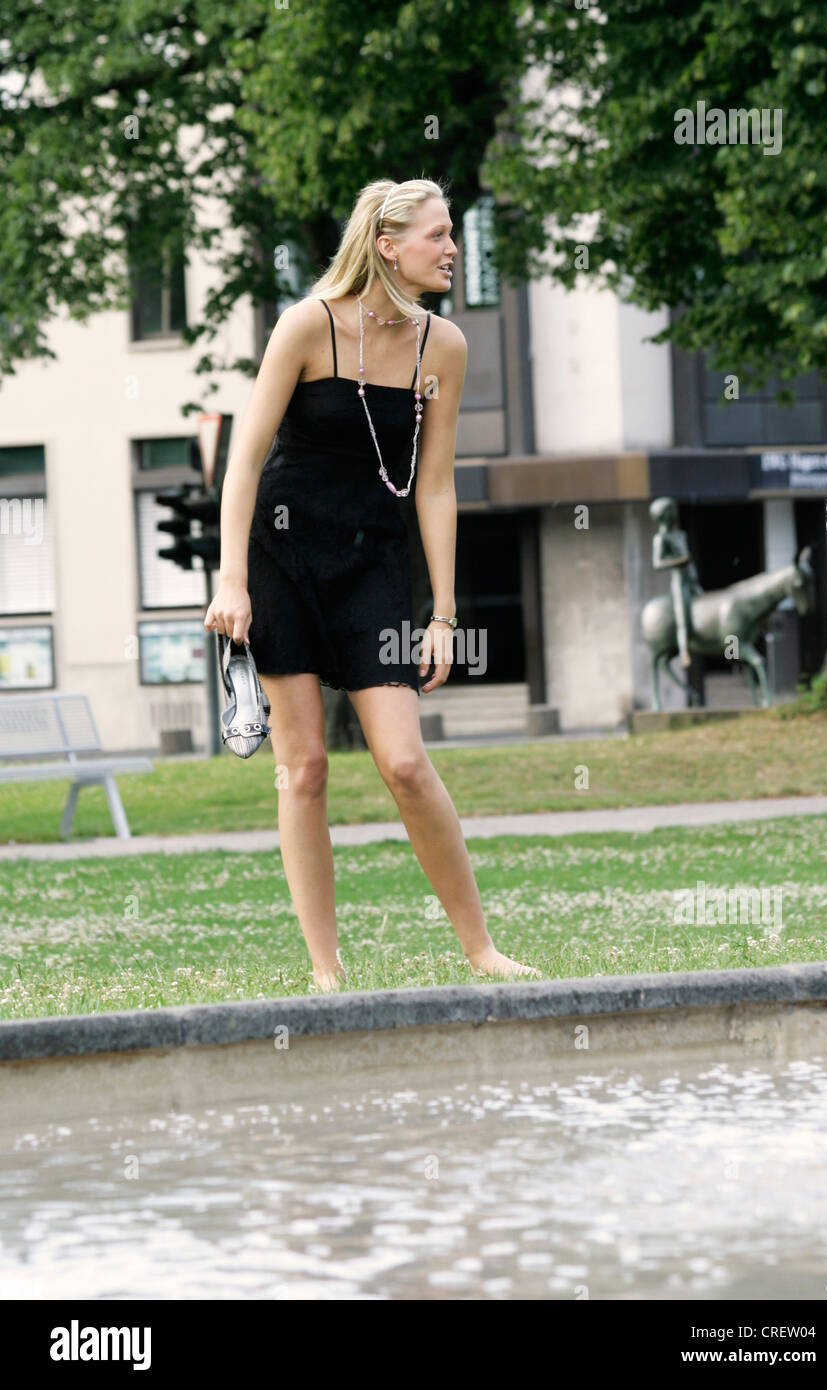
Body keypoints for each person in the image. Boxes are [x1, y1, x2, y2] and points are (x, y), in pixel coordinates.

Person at [204, 177, 540, 991]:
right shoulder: (307, 325)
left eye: (452, 233)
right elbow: (243, 459)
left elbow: (435, 486)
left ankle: (481, 950)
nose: (454, 247)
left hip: (372, 565)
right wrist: (232, 581)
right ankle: (326, 972)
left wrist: (445, 615)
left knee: (405, 763)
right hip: (281, 558)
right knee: (306, 764)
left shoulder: (443, 346)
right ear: (388, 245)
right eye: (438, 235)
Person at [649, 497, 703, 668]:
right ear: (663, 515)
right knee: (681, 616)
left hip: (691, 577)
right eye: (670, 510)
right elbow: (657, 563)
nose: (674, 513)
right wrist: (678, 562)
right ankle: (683, 650)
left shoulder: (680, 534)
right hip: (679, 580)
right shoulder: (661, 538)